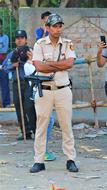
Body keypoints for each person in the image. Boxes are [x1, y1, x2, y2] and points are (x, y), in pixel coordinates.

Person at [30, 13, 78, 173]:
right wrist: (59, 65)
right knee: (41, 126)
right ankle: (39, 161)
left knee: (66, 126)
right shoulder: (39, 44)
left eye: (60, 26)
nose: (58, 29)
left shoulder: (68, 43)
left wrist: (49, 64)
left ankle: (71, 159)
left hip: (63, 90)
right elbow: (39, 67)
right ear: (47, 28)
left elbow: (70, 63)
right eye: (55, 26)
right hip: (44, 90)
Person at [2, 30, 36, 140]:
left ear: (26, 39)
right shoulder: (12, 54)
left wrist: (30, 60)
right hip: (16, 83)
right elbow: (5, 67)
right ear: (15, 40)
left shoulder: (31, 51)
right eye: (17, 38)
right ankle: (25, 132)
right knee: (19, 107)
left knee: (29, 107)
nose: (19, 39)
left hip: (28, 83)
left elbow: (38, 65)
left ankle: (35, 130)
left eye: (22, 37)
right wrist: (13, 65)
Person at [34, 11, 56, 161]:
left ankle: (42, 151)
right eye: (48, 21)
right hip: (41, 83)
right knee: (45, 120)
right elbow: (42, 45)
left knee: (49, 120)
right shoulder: (39, 36)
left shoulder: (57, 37)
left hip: (53, 83)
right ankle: (42, 152)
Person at [0, 18, 11, 107]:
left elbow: (4, 50)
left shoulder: (5, 37)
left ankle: (6, 103)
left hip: (3, 61)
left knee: (5, 82)